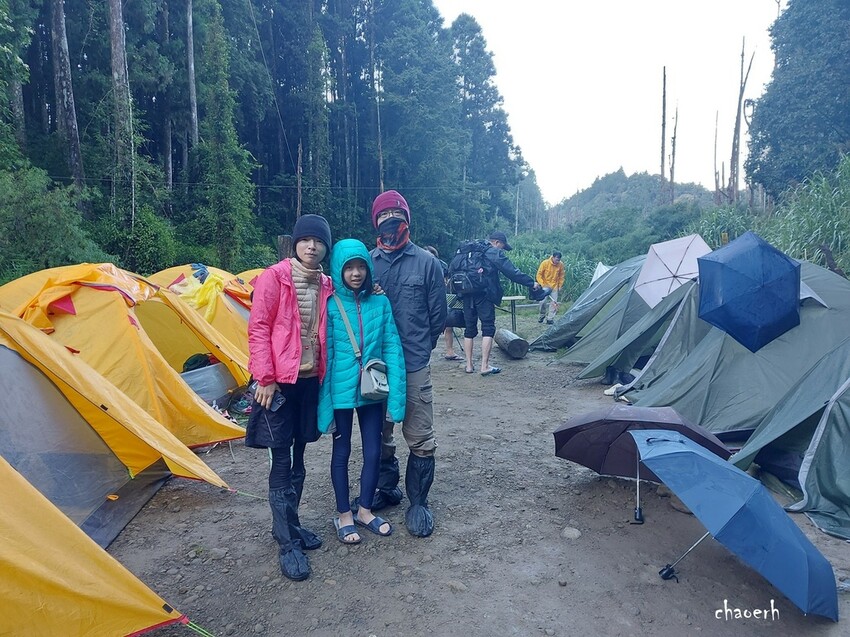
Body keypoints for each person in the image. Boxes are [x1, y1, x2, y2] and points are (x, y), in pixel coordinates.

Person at [246, 214, 333, 581]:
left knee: (300, 456)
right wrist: (264, 378)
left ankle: (291, 526)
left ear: (326, 248)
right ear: (295, 243)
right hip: (279, 384)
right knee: (281, 460)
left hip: (310, 381)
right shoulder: (274, 277)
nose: (312, 246)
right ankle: (286, 543)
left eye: (319, 241)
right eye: (306, 240)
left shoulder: (326, 284)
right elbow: (258, 328)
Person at [365, 189, 447, 537]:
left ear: (407, 220)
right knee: (379, 432)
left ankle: (419, 502)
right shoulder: (366, 263)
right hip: (375, 366)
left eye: (395, 215)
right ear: (376, 222)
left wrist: (421, 350)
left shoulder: (427, 263)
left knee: (420, 435)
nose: (390, 221)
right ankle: (386, 489)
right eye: (383, 216)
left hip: (413, 363)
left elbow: (438, 316)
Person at [318, 239, 406, 544]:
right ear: (338, 270)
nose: (356, 273)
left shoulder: (380, 303)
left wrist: (396, 400)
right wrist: (325, 406)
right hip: (340, 392)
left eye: (361, 267)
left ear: (368, 269)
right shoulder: (331, 305)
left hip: (372, 390)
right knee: (341, 452)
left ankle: (365, 510)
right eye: (349, 268)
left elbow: (392, 349)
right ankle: (344, 515)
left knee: (373, 451)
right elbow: (326, 357)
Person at [462, 231, 540, 376]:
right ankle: (484, 366)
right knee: (488, 328)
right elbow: (512, 272)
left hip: (466, 293)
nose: (502, 250)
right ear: (497, 242)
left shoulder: (469, 250)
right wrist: (531, 283)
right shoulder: (492, 252)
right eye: (502, 247)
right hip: (484, 294)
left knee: (469, 329)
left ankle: (469, 365)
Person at [425, 245, 461, 361]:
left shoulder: (442, 265)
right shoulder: (419, 264)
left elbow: (448, 280)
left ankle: (450, 351)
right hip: (423, 299)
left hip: (440, 297)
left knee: (448, 324)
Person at [536, 251, 565, 324]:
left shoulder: (561, 265)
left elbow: (561, 276)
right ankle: (542, 316)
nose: (558, 262)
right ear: (553, 257)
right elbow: (539, 275)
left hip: (554, 286)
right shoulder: (545, 263)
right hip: (545, 286)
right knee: (542, 302)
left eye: (559, 260)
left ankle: (550, 319)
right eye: (557, 260)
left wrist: (560, 286)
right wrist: (542, 284)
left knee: (554, 303)